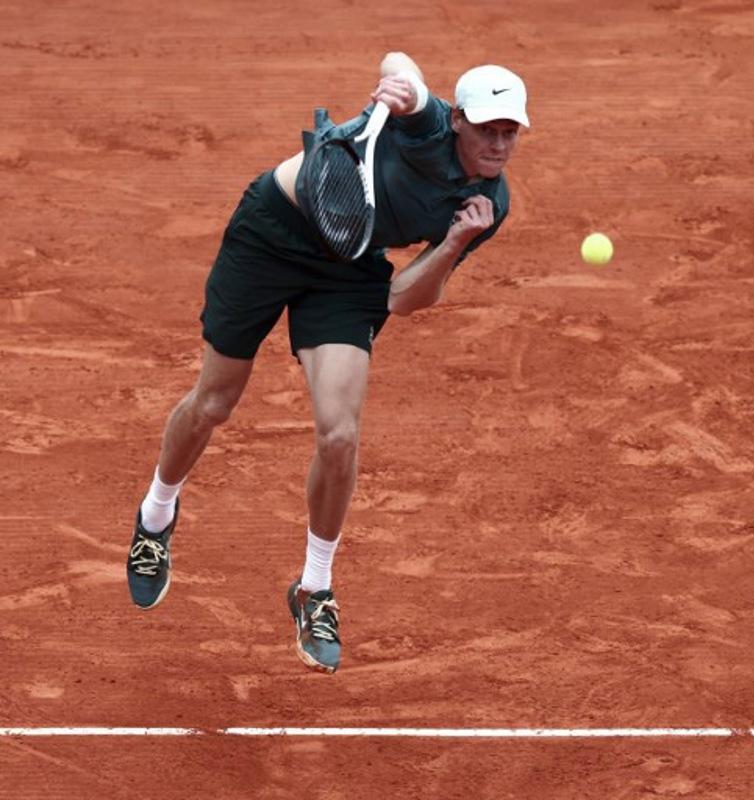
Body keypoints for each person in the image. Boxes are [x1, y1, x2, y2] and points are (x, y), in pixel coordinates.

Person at [124, 53, 530, 674]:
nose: (499, 144)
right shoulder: (424, 125)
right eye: (487, 129)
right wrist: (403, 85)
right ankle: (156, 515)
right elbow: (402, 66)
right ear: (457, 121)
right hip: (272, 231)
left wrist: (454, 241)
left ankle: (315, 588)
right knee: (215, 401)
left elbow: (402, 296)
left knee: (339, 434)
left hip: (351, 264)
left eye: (510, 132)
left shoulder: (488, 204)